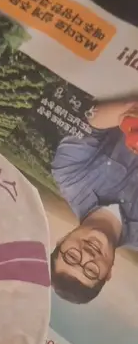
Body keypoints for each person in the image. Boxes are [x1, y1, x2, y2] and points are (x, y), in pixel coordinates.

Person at [51, 98, 138, 304]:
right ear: (108, 274)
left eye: (72, 257)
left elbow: (89, 121)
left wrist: (127, 115)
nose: (87, 256)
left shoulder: (69, 176)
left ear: (61, 242)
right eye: (91, 271)